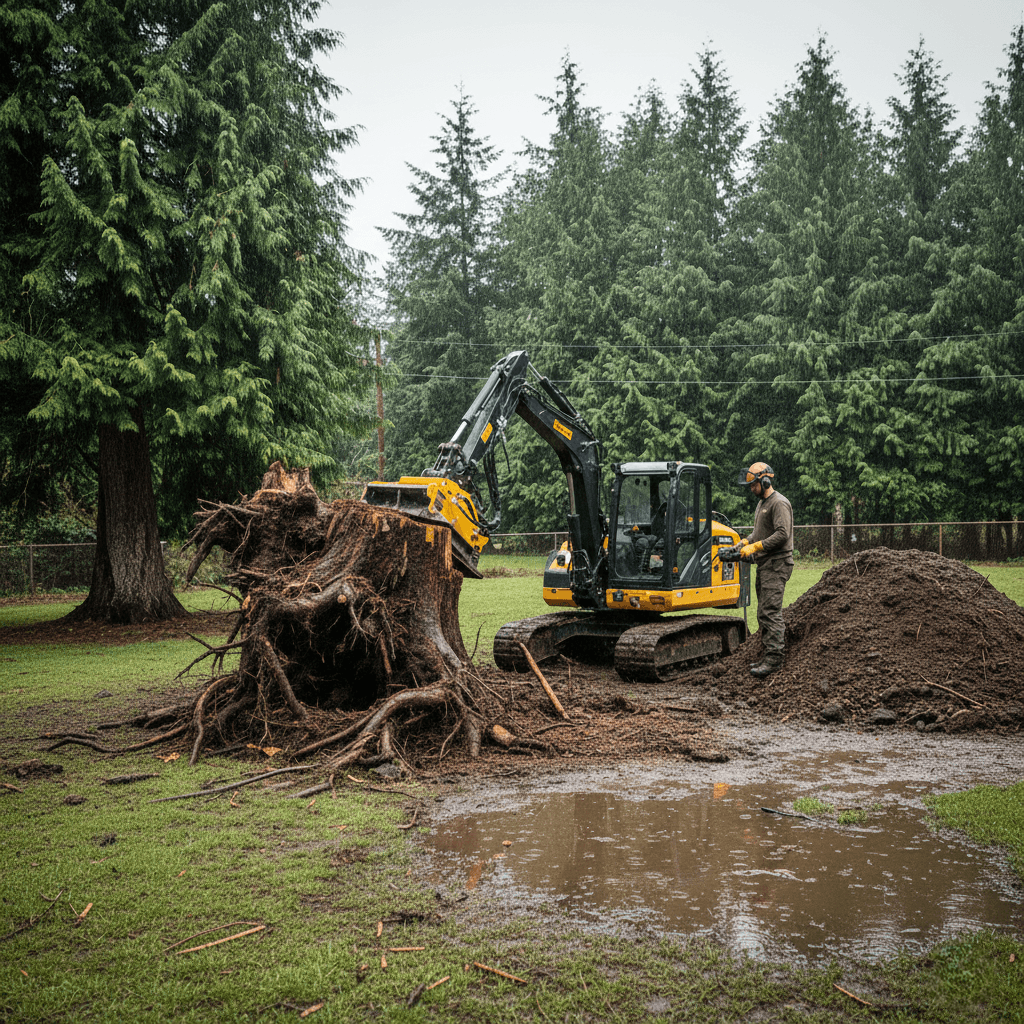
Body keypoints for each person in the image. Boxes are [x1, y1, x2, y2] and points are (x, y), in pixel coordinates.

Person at [735, 462, 794, 676]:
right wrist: (745, 542)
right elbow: (759, 533)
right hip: (765, 564)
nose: (752, 489)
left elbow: (782, 534)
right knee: (762, 612)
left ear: (765, 481)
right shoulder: (762, 503)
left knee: (770, 612)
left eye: (754, 485)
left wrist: (756, 546)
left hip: (777, 564)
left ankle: (775, 659)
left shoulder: (779, 503)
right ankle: (768, 654)